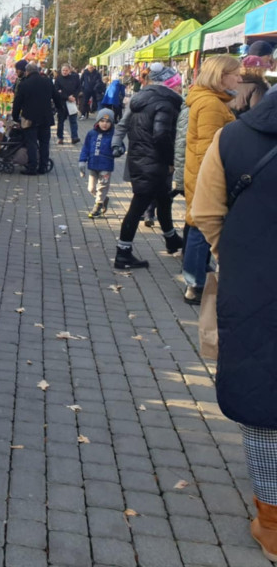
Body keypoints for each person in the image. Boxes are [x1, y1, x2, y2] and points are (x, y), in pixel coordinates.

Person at [191, 90, 277, 561]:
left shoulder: (232, 137)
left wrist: (237, 259)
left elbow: (205, 212)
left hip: (255, 289)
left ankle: (272, 520)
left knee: (261, 400)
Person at [111, 63, 184, 268]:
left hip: (141, 159)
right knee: (137, 207)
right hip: (153, 162)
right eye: (177, 84)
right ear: (169, 85)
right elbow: (161, 135)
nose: (180, 88)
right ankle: (123, 253)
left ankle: (171, 239)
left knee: (163, 199)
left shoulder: (141, 100)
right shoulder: (165, 103)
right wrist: (170, 161)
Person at [181, 55, 239, 304]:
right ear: (221, 75)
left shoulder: (212, 101)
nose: (239, 78)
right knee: (200, 226)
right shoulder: (212, 105)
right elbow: (208, 148)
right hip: (206, 175)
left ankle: (195, 279)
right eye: (235, 73)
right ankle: (194, 284)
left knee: (198, 224)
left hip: (201, 173)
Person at [12, 60, 55, 175]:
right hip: (46, 118)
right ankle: (43, 167)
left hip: (30, 118)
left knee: (31, 143)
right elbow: (56, 97)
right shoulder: (47, 82)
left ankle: (32, 167)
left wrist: (15, 116)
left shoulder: (24, 84)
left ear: (27, 72)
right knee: (44, 143)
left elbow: (18, 103)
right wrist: (58, 110)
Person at [78, 108, 115, 218]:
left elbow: (120, 146)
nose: (105, 124)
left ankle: (98, 206)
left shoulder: (114, 135)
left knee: (102, 186)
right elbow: (86, 148)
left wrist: (118, 150)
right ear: (98, 121)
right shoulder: (91, 134)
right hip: (93, 165)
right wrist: (82, 161)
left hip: (106, 166)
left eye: (108, 122)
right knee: (91, 188)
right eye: (102, 121)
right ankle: (103, 199)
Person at [54, 63, 81, 144]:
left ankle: (74, 137)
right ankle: (60, 137)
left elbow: (78, 88)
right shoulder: (58, 79)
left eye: (66, 70)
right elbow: (57, 91)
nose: (64, 72)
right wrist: (66, 97)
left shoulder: (74, 78)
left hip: (72, 102)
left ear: (69, 71)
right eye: (63, 70)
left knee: (73, 121)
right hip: (62, 103)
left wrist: (74, 96)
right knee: (61, 121)